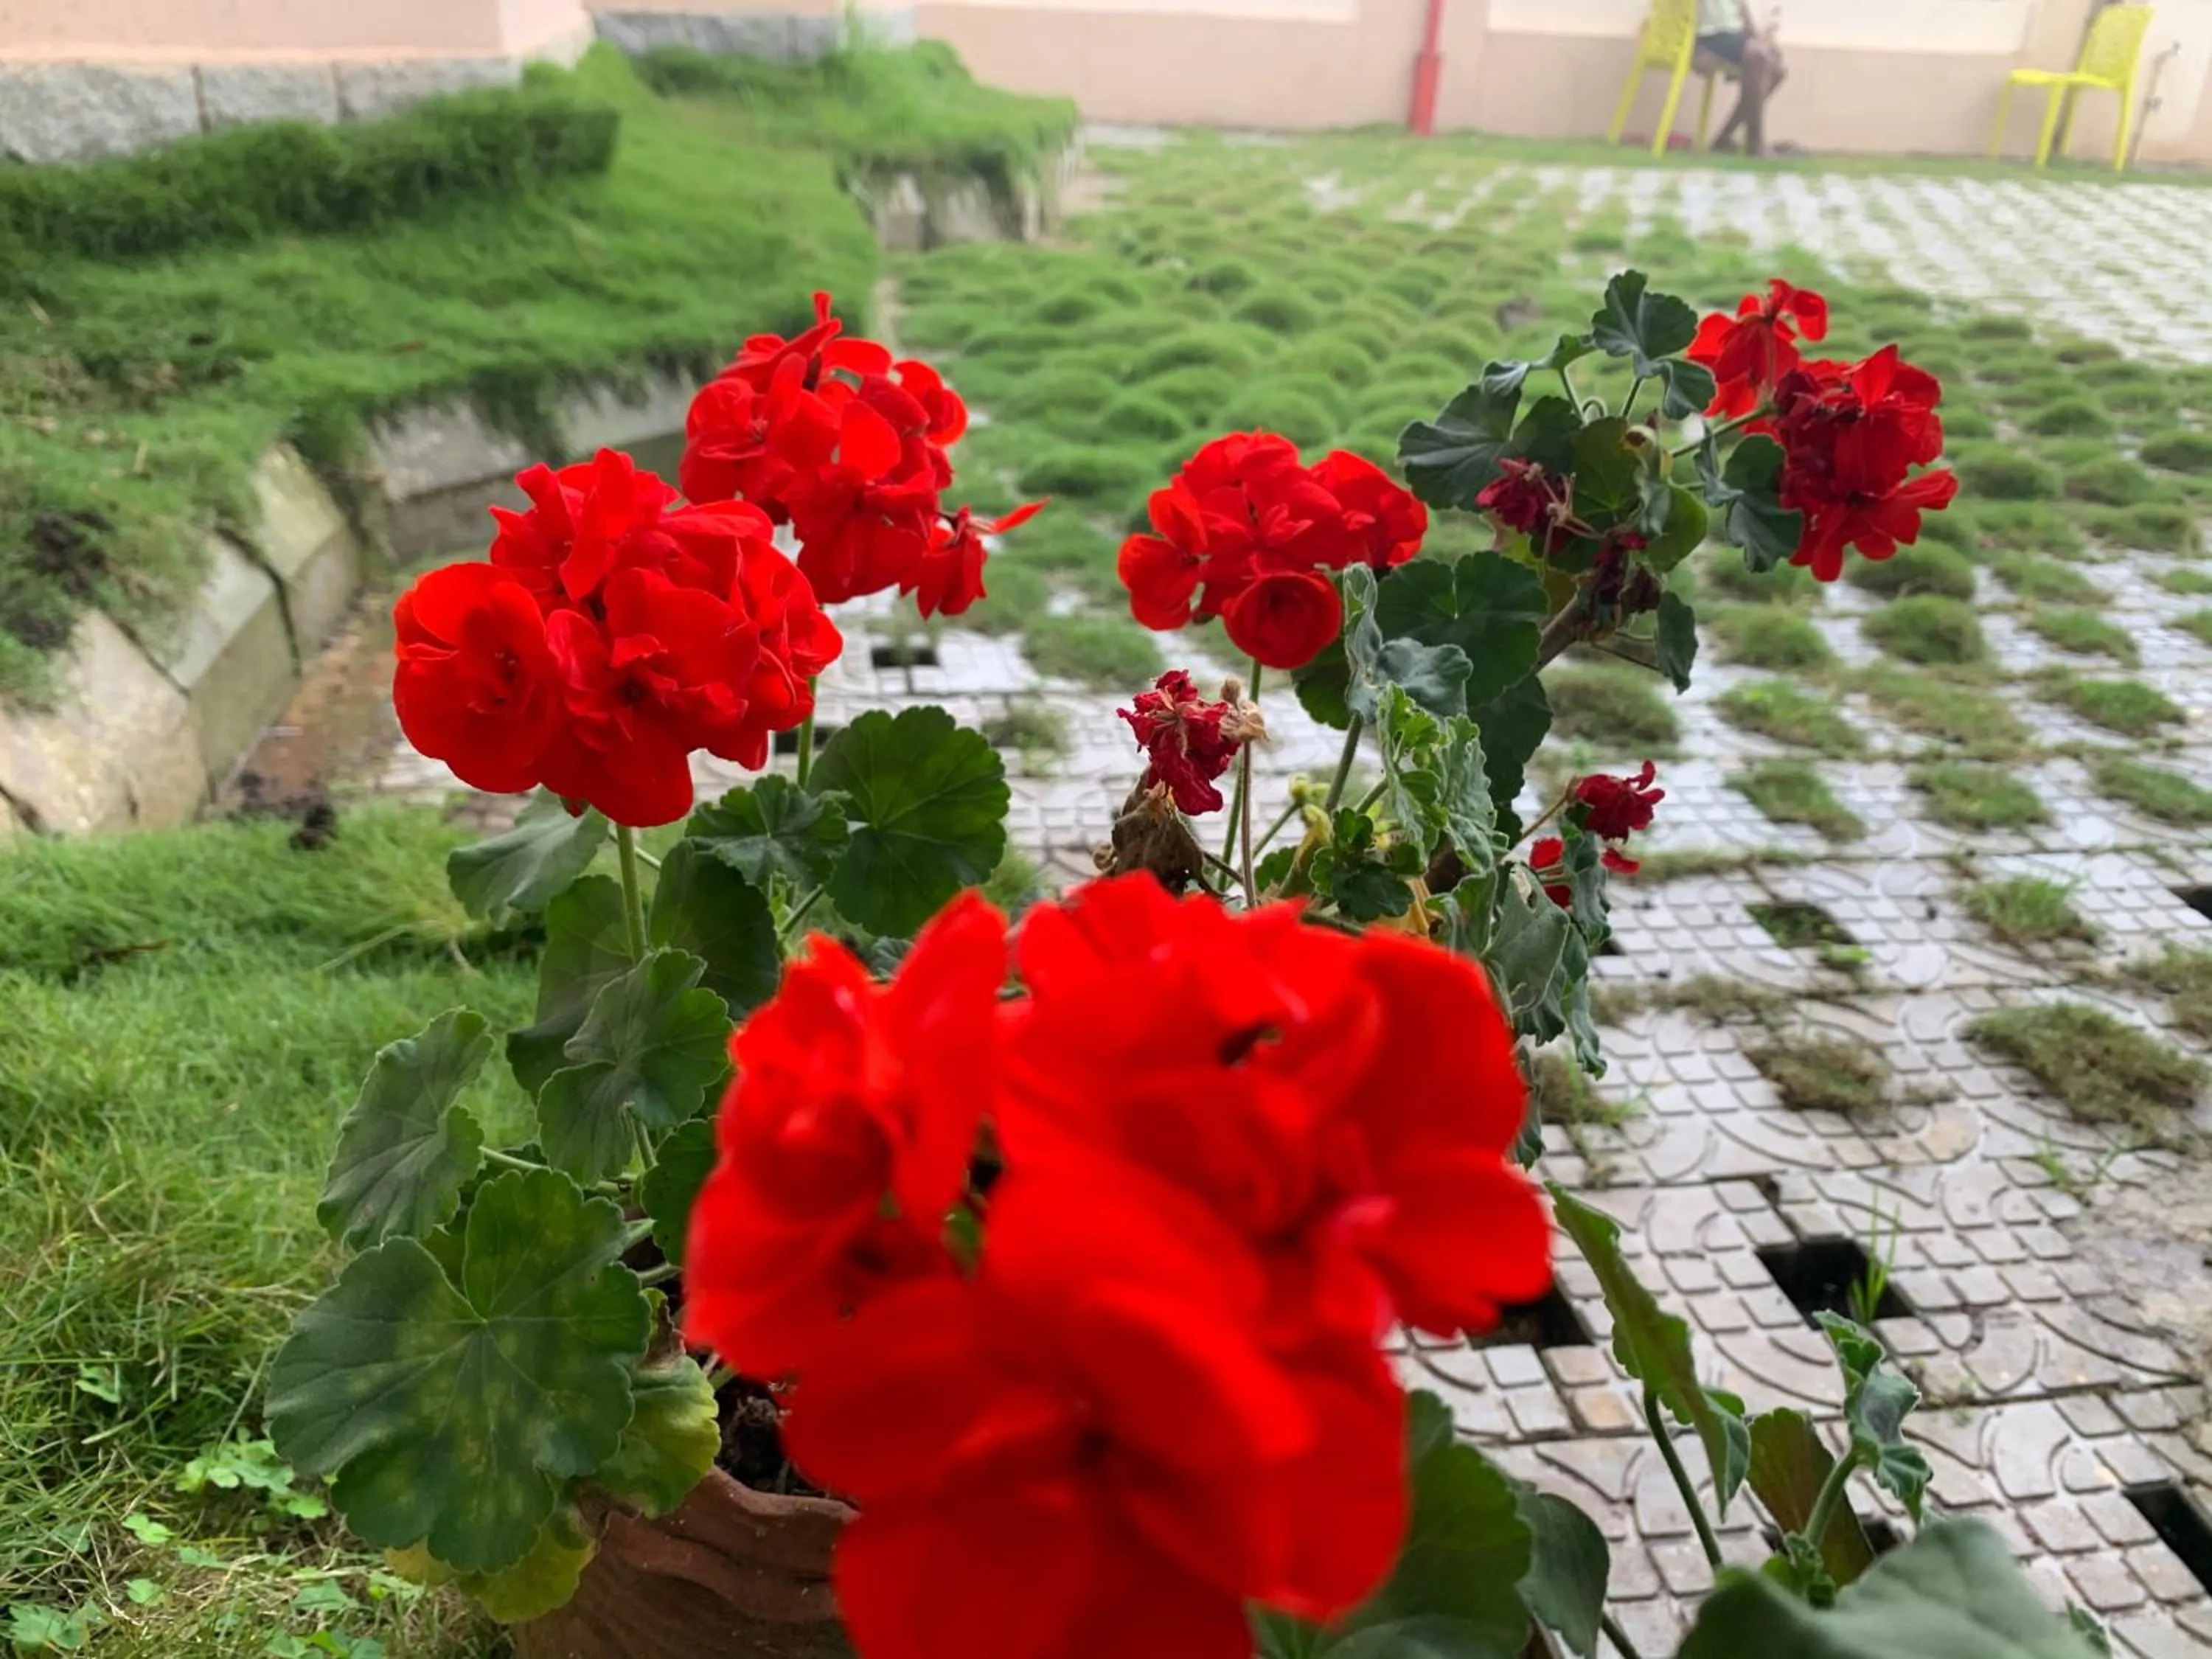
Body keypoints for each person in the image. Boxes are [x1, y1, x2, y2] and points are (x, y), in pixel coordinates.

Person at [1697, 0, 1787, 157]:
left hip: (1733, 34)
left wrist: (1757, 39)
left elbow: (1741, 6)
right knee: (1758, 56)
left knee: (1775, 70)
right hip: (1708, 35)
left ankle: (1724, 139)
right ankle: (1755, 143)